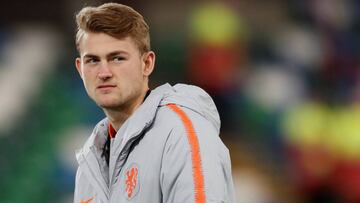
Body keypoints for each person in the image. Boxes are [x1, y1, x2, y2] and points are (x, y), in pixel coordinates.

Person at [73, 3, 235, 203]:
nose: (104, 73)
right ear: (80, 69)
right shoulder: (90, 160)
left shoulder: (181, 133)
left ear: (147, 63)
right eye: (93, 61)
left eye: (117, 58)